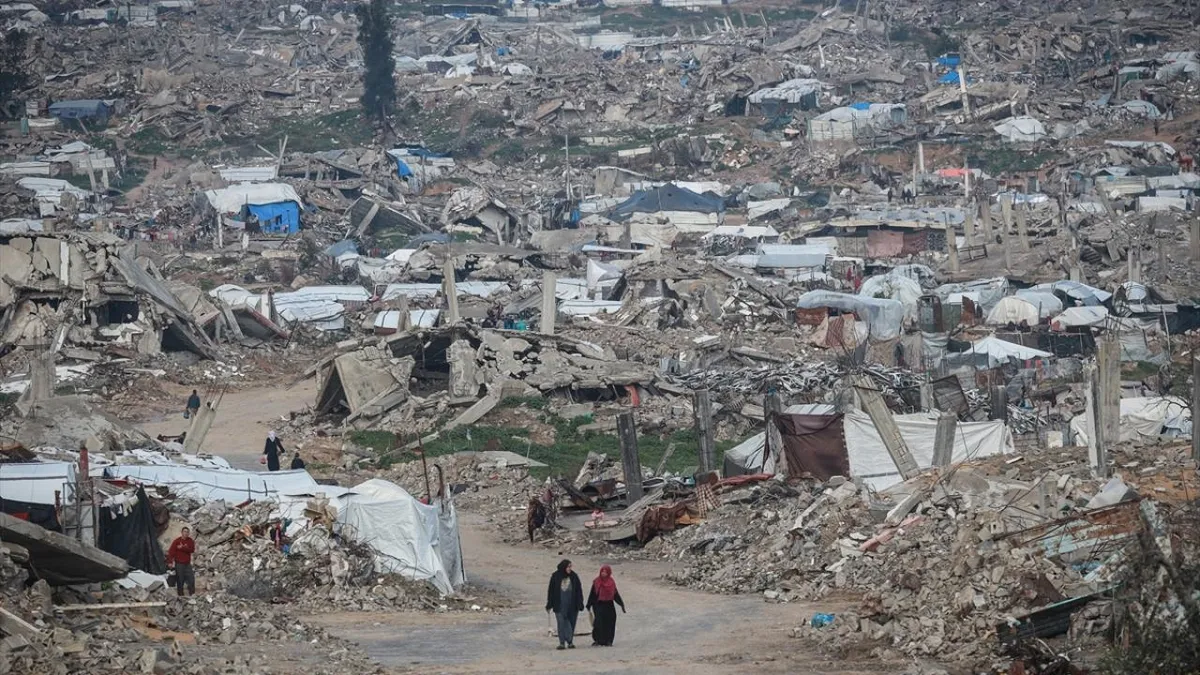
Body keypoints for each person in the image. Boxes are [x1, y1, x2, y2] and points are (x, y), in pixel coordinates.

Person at [545, 559, 584, 650]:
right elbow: (551, 591)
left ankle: (570, 641)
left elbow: (578, 591)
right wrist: (549, 604)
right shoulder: (555, 576)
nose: (570, 569)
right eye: (568, 567)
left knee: (571, 622)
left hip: (572, 604)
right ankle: (562, 642)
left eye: (571, 567)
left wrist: (580, 603)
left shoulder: (574, 577)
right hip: (559, 604)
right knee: (561, 622)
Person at [586, 564, 626, 646]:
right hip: (598, 605)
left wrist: (621, 604)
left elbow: (615, 594)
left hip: (609, 605)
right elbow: (592, 594)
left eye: (605, 572)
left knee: (610, 623)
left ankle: (608, 641)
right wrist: (589, 604)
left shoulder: (611, 583)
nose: (603, 573)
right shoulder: (596, 582)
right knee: (598, 623)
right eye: (602, 572)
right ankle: (598, 640)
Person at [166, 526, 196, 596]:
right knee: (180, 580)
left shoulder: (190, 541)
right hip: (179, 564)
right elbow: (171, 552)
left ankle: (192, 594)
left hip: (187, 564)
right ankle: (181, 596)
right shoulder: (177, 541)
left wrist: (183, 548)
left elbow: (192, 550)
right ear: (182, 532)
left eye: (187, 532)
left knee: (191, 579)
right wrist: (170, 562)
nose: (186, 533)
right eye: (184, 532)